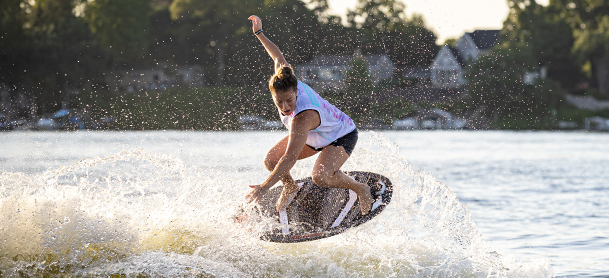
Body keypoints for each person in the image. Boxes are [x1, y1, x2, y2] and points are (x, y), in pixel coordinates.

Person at [244, 15, 372, 215]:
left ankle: (360, 188)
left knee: (321, 177)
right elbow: (277, 57)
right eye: (279, 102)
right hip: (315, 136)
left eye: (289, 100)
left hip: (341, 134)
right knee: (270, 160)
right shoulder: (283, 80)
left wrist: (265, 186)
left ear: (296, 91)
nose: (285, 107)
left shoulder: (303, 117)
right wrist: (259, 33)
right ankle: (290, 186)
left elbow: (289, 158)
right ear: (273, 94)